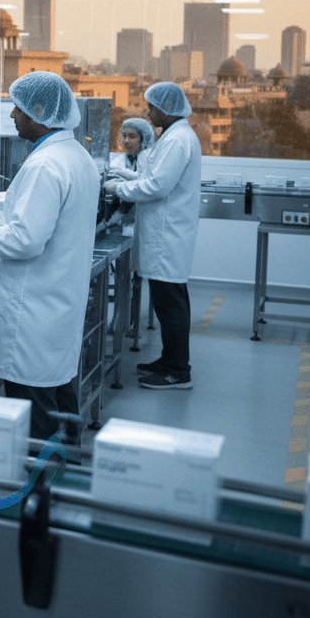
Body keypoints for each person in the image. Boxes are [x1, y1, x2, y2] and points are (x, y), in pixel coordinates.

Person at [0, 71, 99, 443]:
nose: (13, 116)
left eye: (18, 108)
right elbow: (43, 222)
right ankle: (63, 475)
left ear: (40, 112)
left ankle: (38, 490)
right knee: (58, 393)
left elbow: (23, 241)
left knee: (35, 410)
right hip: (57, 302)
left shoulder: (45, 165)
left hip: (34, 309)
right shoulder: (74, 156)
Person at [104, 82, 202, 390]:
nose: (148, 112)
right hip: (167, 233)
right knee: (168, 302)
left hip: (167, 236)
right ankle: (169, 360)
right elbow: (152, 177)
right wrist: (127, 175)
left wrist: (119, 188)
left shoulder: (177, 140)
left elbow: (157, 187)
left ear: (165, 108)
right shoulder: (175, 136)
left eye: (152, 107)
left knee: (170, 305)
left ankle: (177, 371)